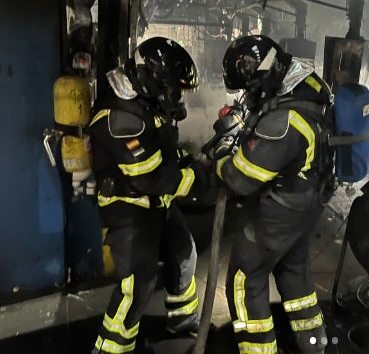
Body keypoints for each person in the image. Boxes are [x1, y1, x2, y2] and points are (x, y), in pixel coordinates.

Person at [213, 35, 333, 354]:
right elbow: (262, 109)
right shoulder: (305, 90)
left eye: (249, 87)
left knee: (244, 280)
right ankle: (315, 345)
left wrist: (223, 153)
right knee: (296, 276)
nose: (247, 95)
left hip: (279, 213)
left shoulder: (282, 121)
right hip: (307, 202)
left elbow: (240, 179)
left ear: (263, 73)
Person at [88, 37, 205, 354]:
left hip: (157, 203)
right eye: (173, 89)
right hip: (128, 208)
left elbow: (162, 153)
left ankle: (182, 324)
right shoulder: (118, 116)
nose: (176, 97)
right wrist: (196, 178)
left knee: (184, 253)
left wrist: (186, 160)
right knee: (138, 285)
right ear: (150, 78)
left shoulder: (147, 103)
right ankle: (112, 349)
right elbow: (149, 176)